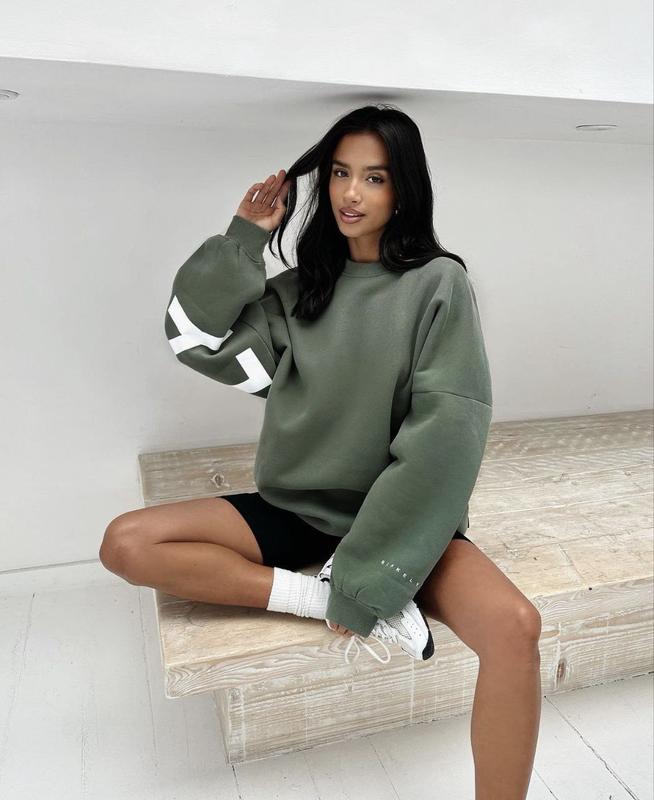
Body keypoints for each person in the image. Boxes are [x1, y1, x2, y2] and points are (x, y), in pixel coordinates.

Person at [100, 104, 542, 799]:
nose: (351, 194)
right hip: (297, 510)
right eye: (340, 173)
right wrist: (245, 236)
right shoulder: (300, 292)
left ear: (404, 191)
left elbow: (445, 439)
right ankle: (314, 597)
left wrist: (369, 579)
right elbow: (194, 340)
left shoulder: (438, 284)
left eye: (375, 177)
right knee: (126, 542)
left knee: (517, 627)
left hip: (396, 519)